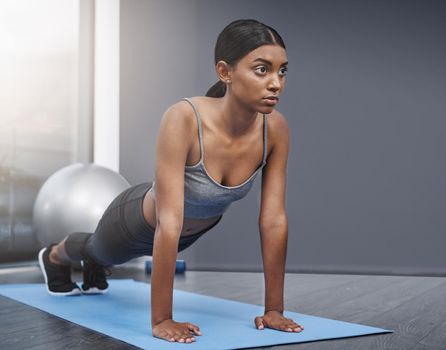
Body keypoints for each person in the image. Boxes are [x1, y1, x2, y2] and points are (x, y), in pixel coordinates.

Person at [38, 18, 303, 343]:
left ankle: (94, 266)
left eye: (282, 71)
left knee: (103, 258)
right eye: (262, 69)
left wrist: (273, 309)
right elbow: (169, 219)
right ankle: (54, 255)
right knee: (99, 250)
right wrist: (162, 318)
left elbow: (273, 220)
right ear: (225, 72)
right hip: (136, 223)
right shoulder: (184, 118)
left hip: (183, 235)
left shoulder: (275, 128)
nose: (276, 83)